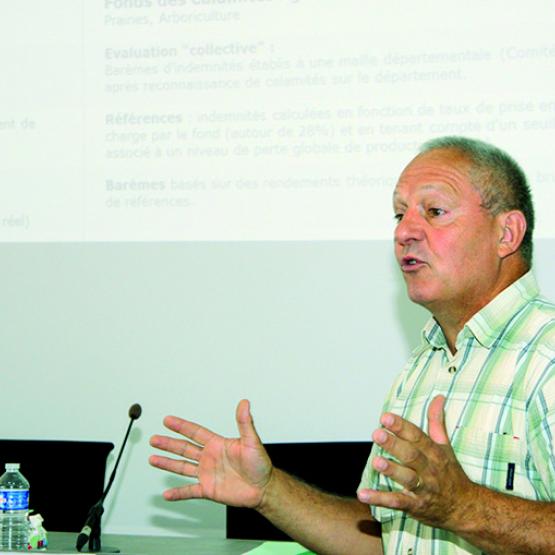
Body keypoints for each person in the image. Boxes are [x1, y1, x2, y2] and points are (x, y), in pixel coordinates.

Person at [149, 136, 555, 554]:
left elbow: (458, 510)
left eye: (434, 212)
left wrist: (463, 507)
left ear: (506, 233)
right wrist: (268, 491)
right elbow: (383, 541)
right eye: (399, 214)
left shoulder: (547, 356)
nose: (404, 232)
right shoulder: (424, 367)